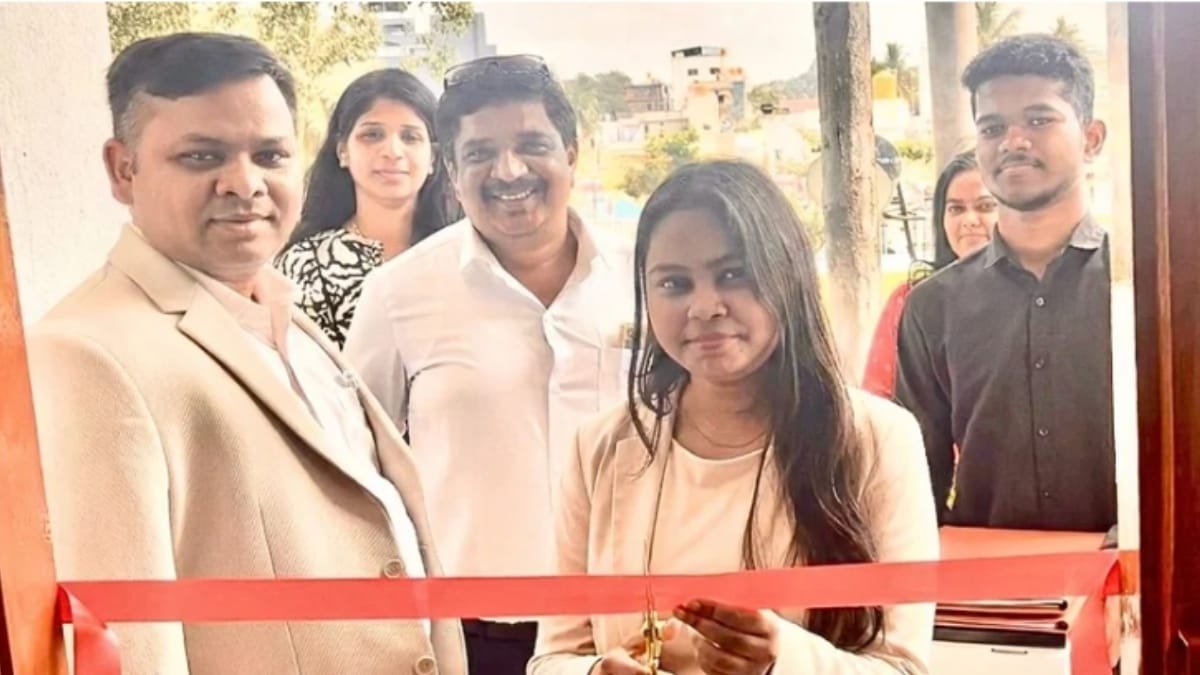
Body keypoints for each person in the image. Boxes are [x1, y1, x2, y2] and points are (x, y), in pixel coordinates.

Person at [26, 32, 464, 674]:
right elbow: (130, 642)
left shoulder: (288, 316)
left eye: (269, 154)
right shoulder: (86, 355)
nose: (244, 183)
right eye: (202, 156)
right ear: (123, 170)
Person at [530, 160, 939, 675]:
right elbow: (553, 657)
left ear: (787, 276)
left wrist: (782, 661)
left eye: (732, 275)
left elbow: (904, 668)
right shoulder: (600, 447)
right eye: (674, 284)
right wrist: (594, 673)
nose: (705, 307)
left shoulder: (878, 440)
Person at [344, 54, 634, 674]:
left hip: (634, 622)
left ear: (572, 153)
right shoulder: (398, 293)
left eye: (532, 146)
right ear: (452, 171)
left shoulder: (643, 278)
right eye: (480, 154)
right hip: (476, 637)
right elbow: (350, 464)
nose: (509, 171)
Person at [896, 34, 1115, 532]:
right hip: (984, 574)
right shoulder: (933, 306)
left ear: (1091, 139)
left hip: (1131, 571)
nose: (1014, 141)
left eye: (1039, 120)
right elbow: (917, 481)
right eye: (993, 127)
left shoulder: (1144, 288)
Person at [275, 68, 459, 348]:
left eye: (410, 137)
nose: (393, 151)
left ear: (433, 157)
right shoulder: (306, 264)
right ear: (342, 151)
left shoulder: (466, 254)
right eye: (372, 135)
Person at [863, 151, 998, 398]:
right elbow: (878, 399)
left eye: (985, 206)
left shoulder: (1037, 297)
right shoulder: (912, 301)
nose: (969, 220)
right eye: (956, 209)